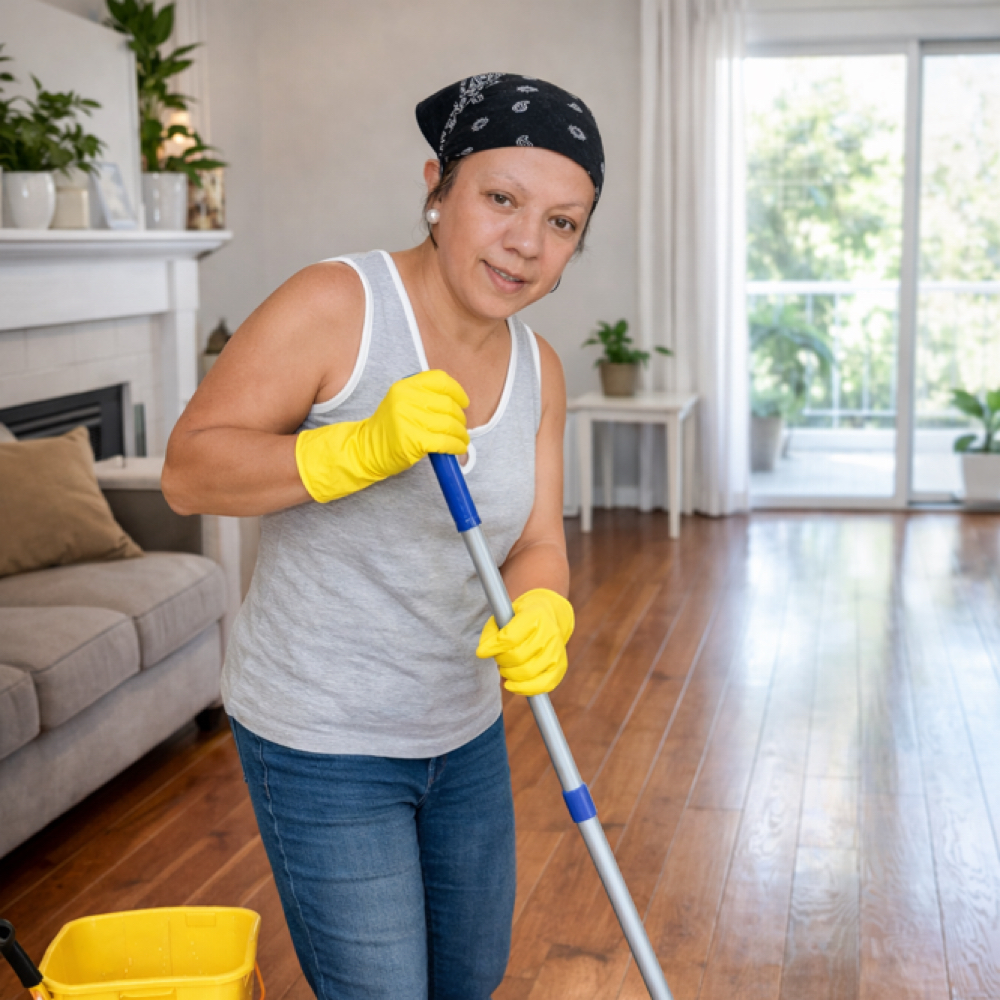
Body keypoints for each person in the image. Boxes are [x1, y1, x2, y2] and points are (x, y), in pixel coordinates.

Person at [162, 72, 605, 1000]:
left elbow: (536, 543)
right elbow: (190, 469)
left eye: (562, 222)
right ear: (437, 188)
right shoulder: (339, 305)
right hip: (322, 736)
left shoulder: (540, 369)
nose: (527, 243)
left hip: (462, 727)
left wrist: (545, 609)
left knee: (469, 978)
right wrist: (355, 451)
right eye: (501, 199)